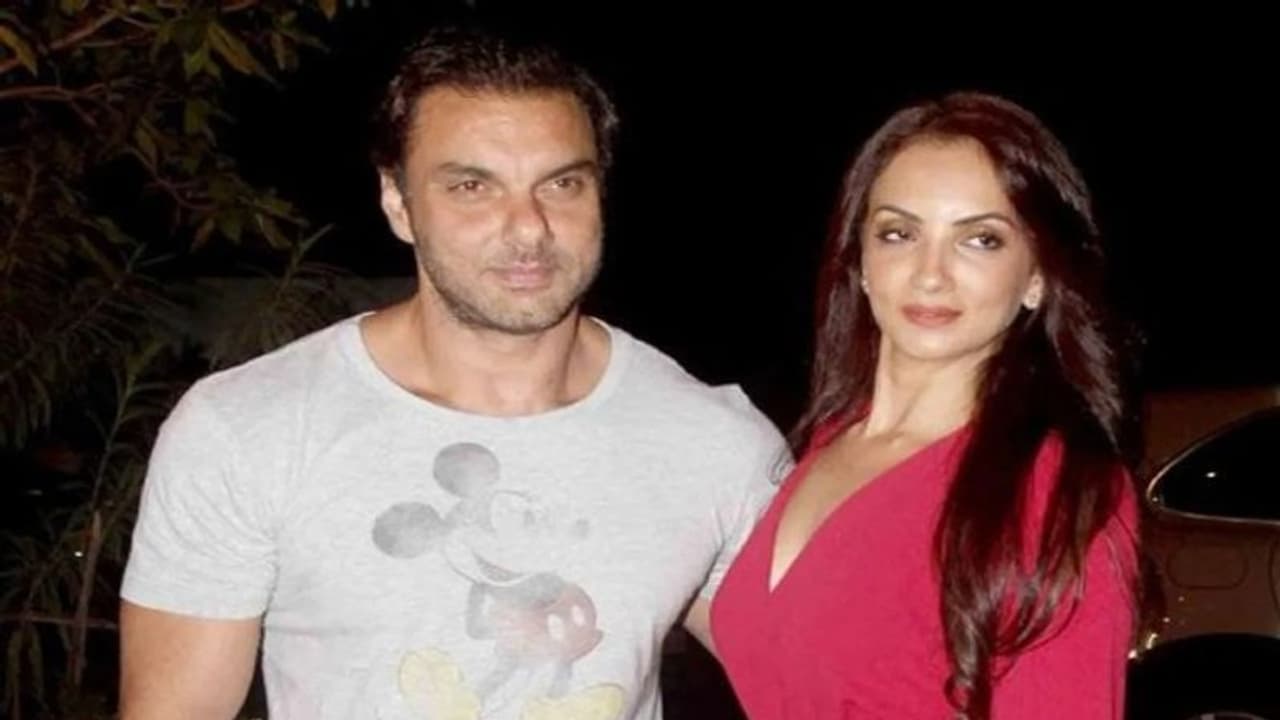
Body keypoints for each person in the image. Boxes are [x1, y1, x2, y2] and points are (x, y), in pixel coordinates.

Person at [119, 26, 786, 720]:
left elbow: (824, 682)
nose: (528, 228)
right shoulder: (249, 429)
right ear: (398, 203)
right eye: (472, 186)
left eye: (562, 184)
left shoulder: (710, 443)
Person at [711, 92, 1140, 719]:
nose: (930, 273)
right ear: (859, 260)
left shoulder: (1057, 492)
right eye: (899, 233)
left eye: (981, 240)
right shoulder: (827, 439)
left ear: (1037, 277)